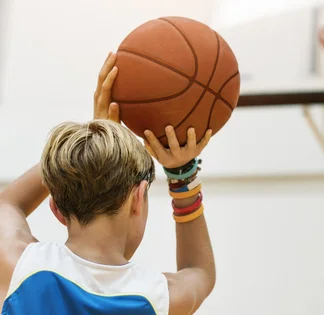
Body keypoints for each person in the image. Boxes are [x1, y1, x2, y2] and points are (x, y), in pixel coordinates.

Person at [0, 52, 215, 315]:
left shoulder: (20, 266)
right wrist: (182, 176)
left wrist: (81, 149)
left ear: (55, 207)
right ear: (139, 197)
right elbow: (199, 271)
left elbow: (8, 203)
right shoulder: (158, 297)